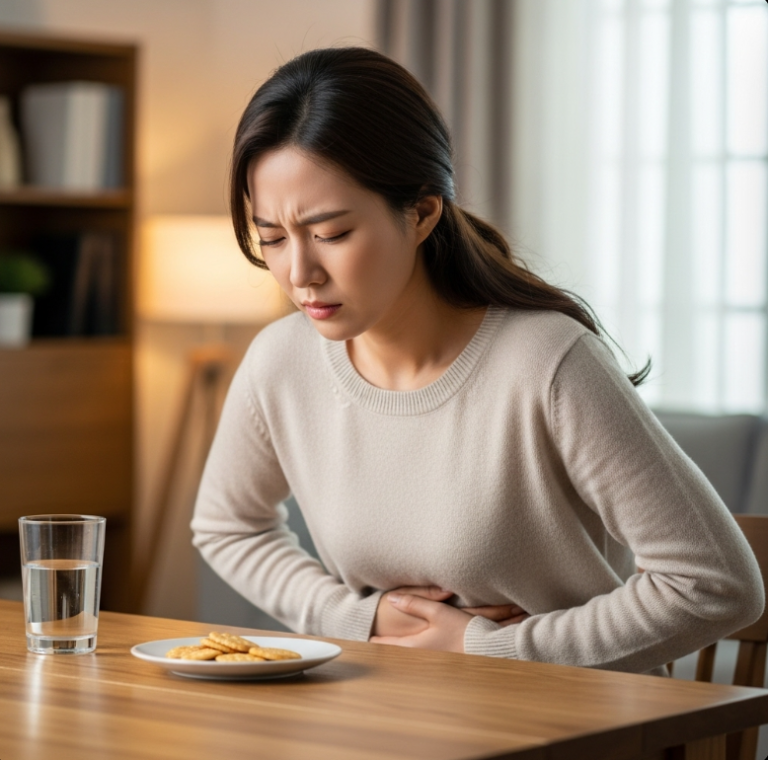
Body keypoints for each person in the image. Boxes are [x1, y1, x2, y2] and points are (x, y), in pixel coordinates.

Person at [191, 47, 763, 676]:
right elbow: (227, 527)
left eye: (331, 234)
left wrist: (493, 648)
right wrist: (355, 616)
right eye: (271, 237)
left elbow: (714, 584)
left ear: (422, 213)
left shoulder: (547, 363)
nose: (299, 273)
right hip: (384, 716)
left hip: (569, 727)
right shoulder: (281, 361)